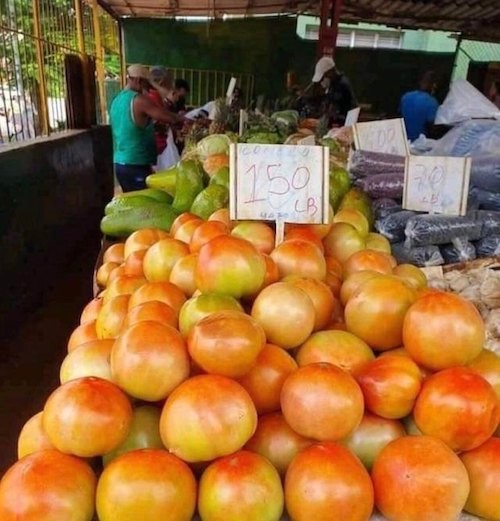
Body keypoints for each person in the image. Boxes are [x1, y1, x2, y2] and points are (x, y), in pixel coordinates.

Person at [109, 64, 183, 192]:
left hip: (120, 163)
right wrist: (185, 119)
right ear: (138, 81)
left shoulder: (117, 100)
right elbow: (166, 117)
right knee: (144, 206)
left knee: (132, 202)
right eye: (146, 85)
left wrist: (151, 126)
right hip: (135, 163)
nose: (148, 90)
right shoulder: (138, 100)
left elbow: (129, 126)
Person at [311, 56, 357, 126]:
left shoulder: (342, 84)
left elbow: (336, 106)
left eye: (324, 77)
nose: (322, 81)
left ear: (331, 72)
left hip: (346, 122)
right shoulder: (333, 84)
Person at [400, 71, 439, 142]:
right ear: (433, 85)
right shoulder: (432, 102)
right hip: (420, 143)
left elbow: (400, 116)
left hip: (404, 140)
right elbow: (432, 128)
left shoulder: (405, 96)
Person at [146, 66, 174, 156]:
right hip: (157, 147)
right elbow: (159, 120)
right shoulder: (153, 96)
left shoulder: (154, 96)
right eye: (169, 83)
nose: (171, 87)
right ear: (162, 82)